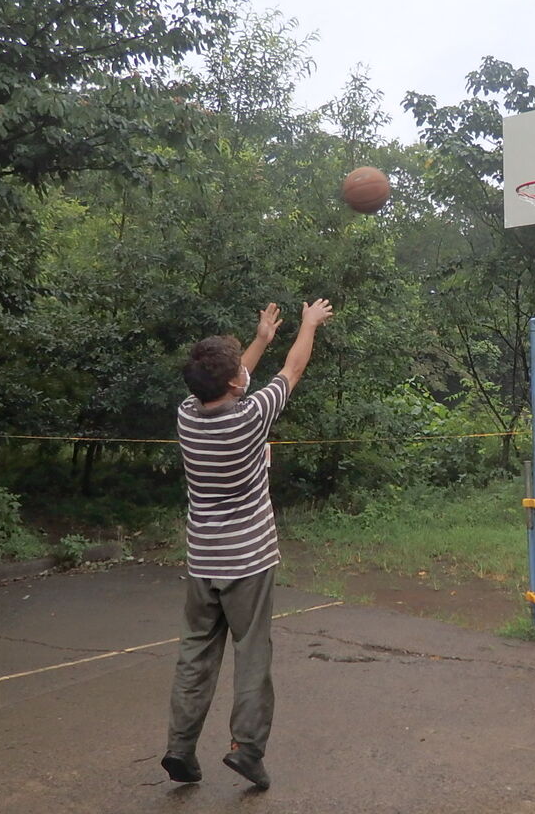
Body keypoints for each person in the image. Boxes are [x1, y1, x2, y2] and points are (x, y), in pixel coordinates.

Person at [161, 298, 334, 790]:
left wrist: (258, 340)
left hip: (202, 561)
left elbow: (231, 380)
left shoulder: (187, 415)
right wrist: (308, 324)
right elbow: (294, 367)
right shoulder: (250, 416)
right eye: (240, 370)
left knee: (195, 654)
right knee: (252, 652)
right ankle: (247, 749)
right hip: (249, 560)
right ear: (237, 383)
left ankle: (180, 748)